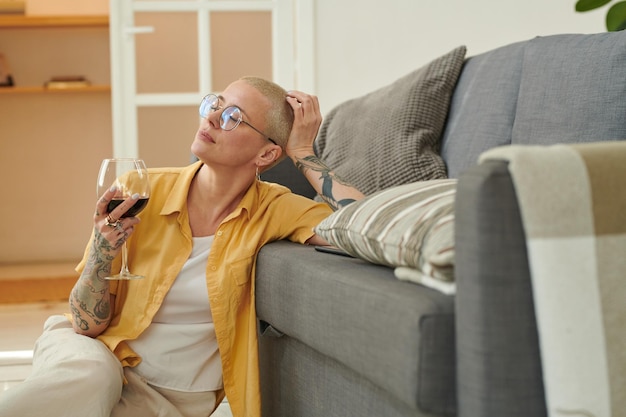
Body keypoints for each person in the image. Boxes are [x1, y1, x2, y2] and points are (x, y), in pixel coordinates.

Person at [0, 76, 364, 417]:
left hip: (169, 397)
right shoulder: (141, 189)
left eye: (234, 117)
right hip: (92, 356)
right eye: (215, 105)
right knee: (94, 375)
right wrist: (101, 253)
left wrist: (301, 151)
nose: (212, 118)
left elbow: (365, 225)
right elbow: (84, 325)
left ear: (267, 155)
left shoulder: (274, 210)